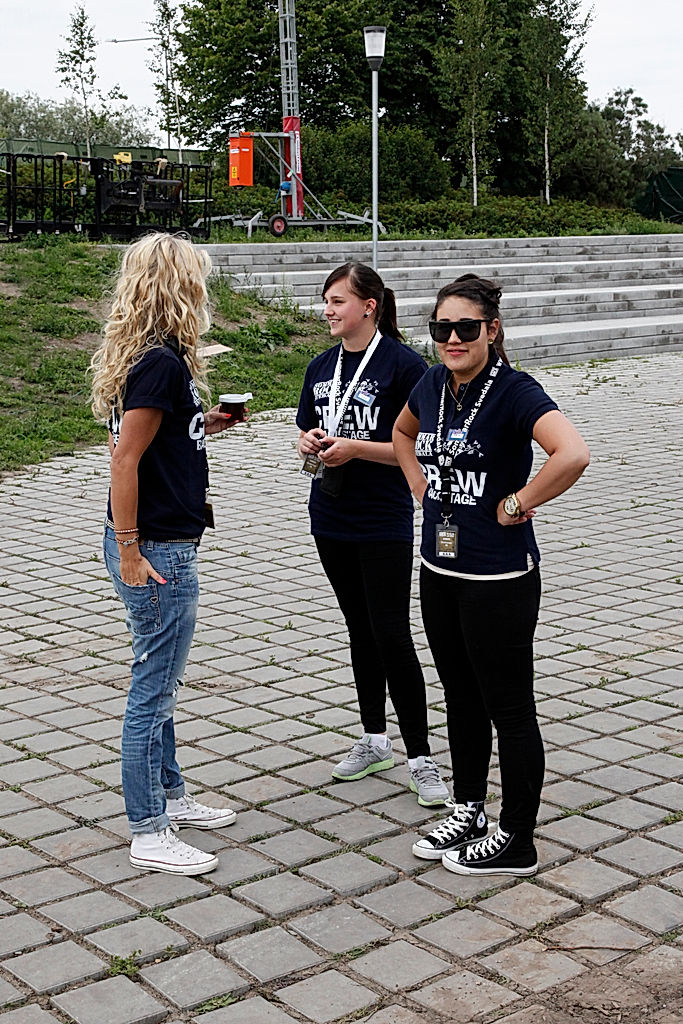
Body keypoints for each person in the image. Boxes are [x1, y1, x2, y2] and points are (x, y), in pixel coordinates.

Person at [393, 274, 590, 875]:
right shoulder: (432, 383)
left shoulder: (513, 390)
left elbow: (573, 453)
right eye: (441, 329)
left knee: (509, 704)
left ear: (492, 329)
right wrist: (415, 483)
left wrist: (519, 501)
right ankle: (469, 807)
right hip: (438, 565)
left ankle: (517, 838)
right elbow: (402, 434)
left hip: (498, 577)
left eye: (466, 328)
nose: (453, 338)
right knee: (460, 692)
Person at [90, 232, 239, 876]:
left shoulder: (164, 360)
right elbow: (125, 459)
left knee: (164, 679)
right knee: (153, 687)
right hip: (155, 549)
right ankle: (148, 830)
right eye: (198, 280)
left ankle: (171, 795)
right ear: (179, 287)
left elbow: (161, 441)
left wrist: (208, 425)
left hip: (161, 540)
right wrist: (129, 551)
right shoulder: (160, 363)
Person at [296, 262, 449, 807]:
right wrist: (308, 442)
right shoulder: (321, 366)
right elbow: (304, 424)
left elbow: (422, 447)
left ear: (370, 306)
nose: (328, 311)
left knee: (390, 631)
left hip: (382, 518)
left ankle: (422, 757)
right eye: (326, 301)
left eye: (338, 301)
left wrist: (358, 448)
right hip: (330, 514)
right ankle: (372, 738)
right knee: (358, 627)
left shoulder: (407, 367)